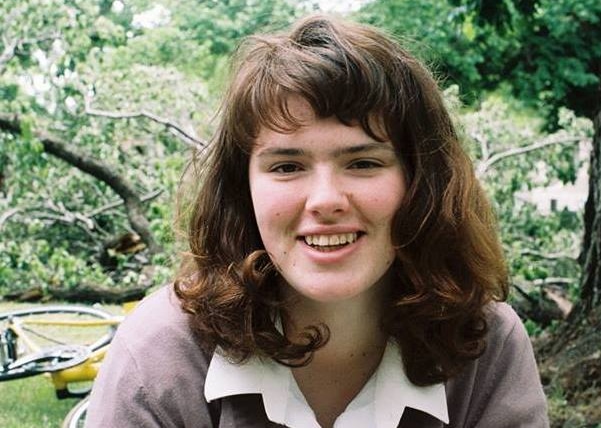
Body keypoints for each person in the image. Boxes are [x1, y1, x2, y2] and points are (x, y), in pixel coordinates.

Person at [86, 14, 549, 428]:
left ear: (421, 182)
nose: (325, 201)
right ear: (241, 191)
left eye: (364, 163)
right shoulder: (159, 356)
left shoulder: (487, 347)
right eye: (287, 166)